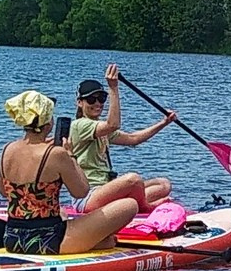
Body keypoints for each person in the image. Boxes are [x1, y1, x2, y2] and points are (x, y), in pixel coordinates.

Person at [0, 90, 139, 255]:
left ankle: (97, 241)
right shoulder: (57, 153)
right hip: (49, 241)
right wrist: (70, 155)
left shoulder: (7, 149)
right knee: (129, 205)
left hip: (13, 238)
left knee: (62, 213)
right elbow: (81, 191)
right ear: (48, 122)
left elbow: (2, 191)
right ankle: (98, 241)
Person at [66, 64, 176, 214]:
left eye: (101, 98)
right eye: (91, 99)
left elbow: (133, 139)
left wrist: (164, 123)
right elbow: (113, 124)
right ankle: (143, 207)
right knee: (134, 179)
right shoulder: (80, 125)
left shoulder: (101, 129)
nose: (98, 103)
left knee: (163, 184)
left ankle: (133, 203)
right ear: (80, 103)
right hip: (87, 197)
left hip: (105, 190)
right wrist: (113, 88)